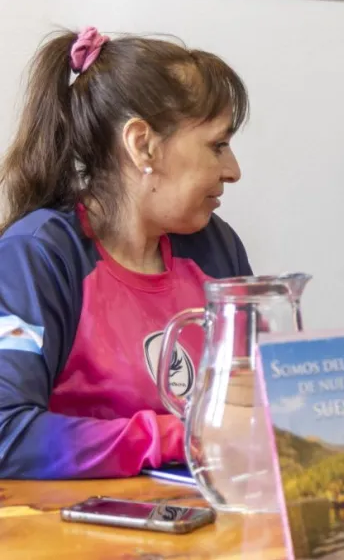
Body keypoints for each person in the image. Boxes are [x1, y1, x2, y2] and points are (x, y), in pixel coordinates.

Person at [0, 27, 252, 479]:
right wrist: (178, 437)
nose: (232, 171)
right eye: (217, 145)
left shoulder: (217, 246)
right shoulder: (36, 258)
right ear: (142, 144)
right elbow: (6, 433)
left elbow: (257, 400)